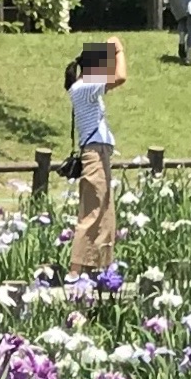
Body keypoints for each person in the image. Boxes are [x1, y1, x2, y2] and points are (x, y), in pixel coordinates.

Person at [63, 37, 126, 273]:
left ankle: (100, 265)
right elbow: (121, 76)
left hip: (99, 153)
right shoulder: (84, 86)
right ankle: (76, 271)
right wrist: (119, 50)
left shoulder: (85, 88)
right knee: (92, 212)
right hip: (94, 155)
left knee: (105, 212)